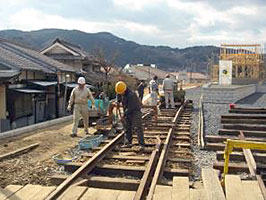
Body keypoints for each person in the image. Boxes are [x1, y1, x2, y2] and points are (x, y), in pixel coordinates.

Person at [115, 81, 145, 149]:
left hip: (135, 111)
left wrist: (123, 115)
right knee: (127, 127)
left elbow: (130, 108)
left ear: (124, 90)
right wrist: (117, 102)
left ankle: (141, 144)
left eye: (121, 93)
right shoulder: (120, 91)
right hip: (127, 110)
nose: (120, 94)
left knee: (138, 127)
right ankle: (128, 142)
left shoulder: (132, 95)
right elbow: (118, 96)